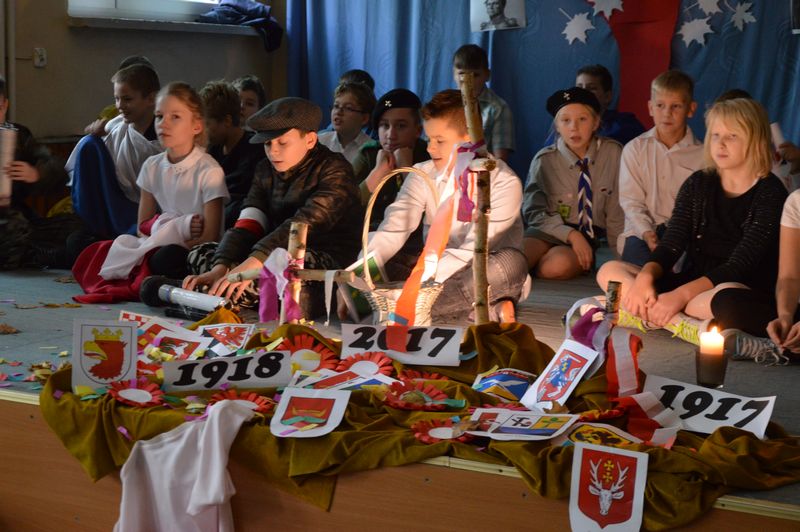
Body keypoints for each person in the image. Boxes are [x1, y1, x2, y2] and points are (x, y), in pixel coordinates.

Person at [598, 97, 787, 346]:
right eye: (716, 135)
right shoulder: (698, 183)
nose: (720, 143)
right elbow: (671, 244)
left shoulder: (771, 192)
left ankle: (649, 313)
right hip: (694, 282)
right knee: (609, 271)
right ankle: (680, 321)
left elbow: (740, 265)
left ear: (755, 140)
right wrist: (645, 277)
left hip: (735, 287)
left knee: (726, 302)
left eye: (732, 136)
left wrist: (679, 296)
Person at [344, 89, 528, 323]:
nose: (430, 148)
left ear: (469, 138)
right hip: (429, 270)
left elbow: (471, 251)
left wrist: (417, 286)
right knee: (380, 258)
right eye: (429, 139)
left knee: (509, 264)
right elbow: (393, 228)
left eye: (440, 141)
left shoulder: (502, 181)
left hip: (477, 270)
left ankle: (399, 308)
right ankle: (482, 306)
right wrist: (359, 277)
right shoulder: (422, 173)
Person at [182, 97, 362, 318]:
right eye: (268, 144)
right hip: (272, 253)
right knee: (200, 253)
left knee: (263, 279)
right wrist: (221, 266)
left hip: (322, 258)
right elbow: (249, 221)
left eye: (282, 143)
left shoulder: (336, 170)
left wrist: (254, 262)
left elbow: (303, 225)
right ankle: (224, 288)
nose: (273, 151)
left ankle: (225, 292)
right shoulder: (264, 169)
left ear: (310, 140)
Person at [73, 82, 228, 302]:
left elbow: (210, 236)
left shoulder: (209, 170)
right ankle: (155, 281)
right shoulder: (152, 166)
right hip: (159, 243)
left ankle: (165, 283)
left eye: (175, 117)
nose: (164, 123)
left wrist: (169, 239)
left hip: (193, 250)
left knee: (167, 257)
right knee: (91, 247)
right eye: (159, 116)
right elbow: (142, 228)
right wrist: (169, 228)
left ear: (196, 126)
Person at [521, 87, 624, 280]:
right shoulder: (544, 160)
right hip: (546, 230)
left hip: (586, 236)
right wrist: (570, 234)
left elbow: (616, 214)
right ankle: (524, 269)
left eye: (582, 119)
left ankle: (535, 270)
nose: (574, 127)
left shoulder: (613, 154)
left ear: (595, 123)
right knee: (516, 259)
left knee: (556, 267)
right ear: (557, 125)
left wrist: (622, 262)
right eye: (566, 120)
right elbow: (533, 211)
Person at [65, 63, 162, 252]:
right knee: (89, 144)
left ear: (151, 98)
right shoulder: (116, 127)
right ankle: (93, 227)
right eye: (117, 99)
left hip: (149, 213)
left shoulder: (166, 133)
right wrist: (93, 133)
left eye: (127, 99)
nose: (120, 106)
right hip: (115, 206)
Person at [617, 70, 704, 267]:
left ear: (691, 109)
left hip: (684, 236)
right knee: (637, 272)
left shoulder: (703, 156)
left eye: (676, 106)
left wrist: (677, 237)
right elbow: (631, 201)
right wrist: (647, 232)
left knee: (683, 271)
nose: (667, 113)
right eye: (660, 105)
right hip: (641, 233)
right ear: (650, 107)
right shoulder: (635, 149)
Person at [0, 76, 73, 269]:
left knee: (77, 228)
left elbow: (56, 165)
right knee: (14, 232)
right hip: (11, 228)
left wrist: (37, 173)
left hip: (17, 216)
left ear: (5, 105)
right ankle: (36, 255)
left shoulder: (19, 136)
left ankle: (30, 253)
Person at [199, 80, 266, 228]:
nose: (202, 131)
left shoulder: (255, 151)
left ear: (227, 121)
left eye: (207, 124)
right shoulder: (213, 150)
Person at [452, 44, 514, 162]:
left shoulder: (498, 108)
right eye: (462, 74)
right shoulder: (444, 105)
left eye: (475, 75)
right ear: (454, 74)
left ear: (487, 75)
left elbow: (500, 159)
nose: (469, 81)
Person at [575, 64, 645, 145]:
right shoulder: (569, 126)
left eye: (592, 88)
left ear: (607, 96)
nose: (583, 93)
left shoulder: (625, 125)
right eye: (579, 88)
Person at [317, 82, 376, 164]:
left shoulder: (372, 150)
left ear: (364, 118)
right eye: (336, 106)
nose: (338, 112)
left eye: (348, 108)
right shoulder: (319, 142)